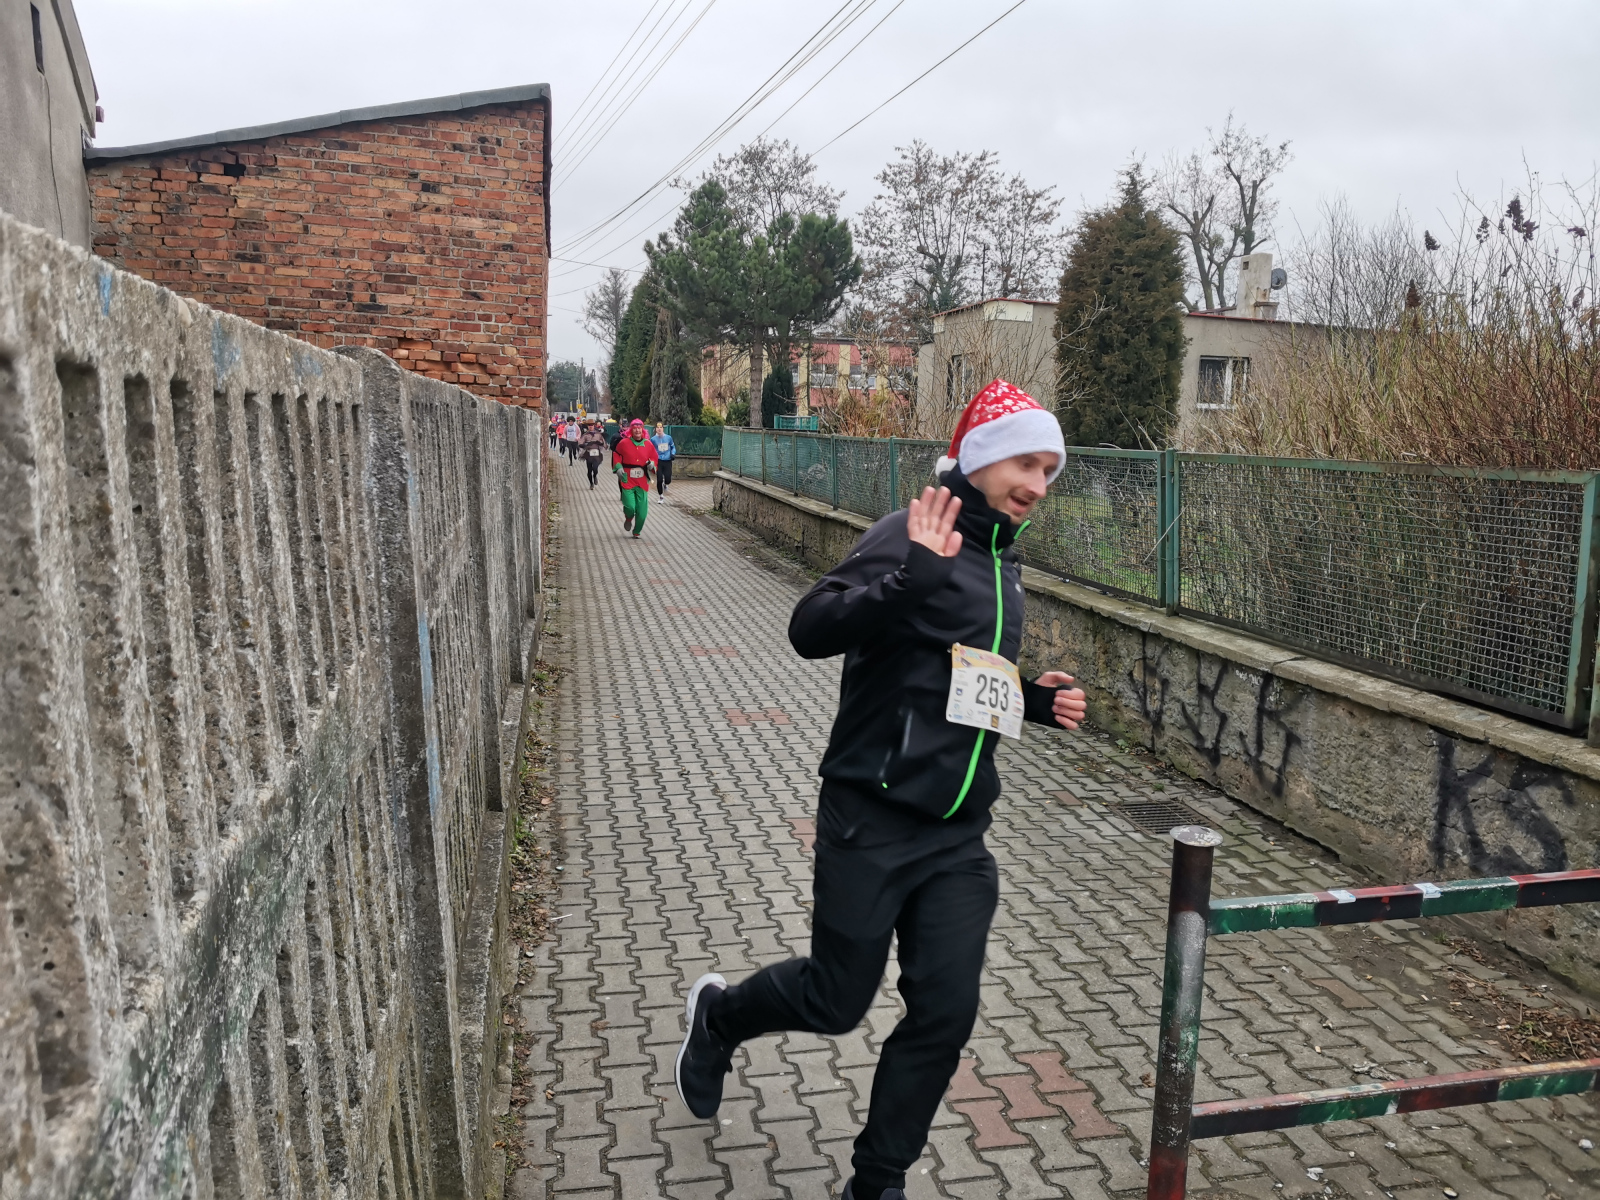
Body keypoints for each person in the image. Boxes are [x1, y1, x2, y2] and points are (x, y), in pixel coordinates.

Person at [673, 380, 1089, 1200]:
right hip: (870, 815)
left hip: (958, 836)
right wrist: (909, 581)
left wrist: (1030, 700)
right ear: (981, 457)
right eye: (1027, 464)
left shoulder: (1004, 562)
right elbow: (809, 629)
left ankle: (878, 1181)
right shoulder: (910, 532)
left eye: (1050, 470)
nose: (1039, 485)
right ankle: (719, 1016)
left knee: (946, 1012)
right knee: (836, 1002)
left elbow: (957, 672)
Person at [612, 417, 659, 538]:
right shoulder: (624, 443)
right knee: (630, 506)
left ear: (643, 430)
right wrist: (618, 467)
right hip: (627, 478)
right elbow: (616, 454)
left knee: (642, 512)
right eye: (635, 428)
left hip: (642, 480)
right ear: (631, 430)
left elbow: (654, 458)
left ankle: (637, 531)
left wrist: (652, 465)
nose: (637, 430)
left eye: (639, 428)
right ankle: (628, 518)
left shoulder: (648, 444)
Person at [651, 422, 678, 497]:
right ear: (655, 429)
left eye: (661, 427)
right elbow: (650, 450)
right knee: (659, 479)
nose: (659, 429)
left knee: (668, 479)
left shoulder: (668, 438)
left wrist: (673, 453)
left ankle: (666, 484)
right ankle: (661, 496)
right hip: (658, 461)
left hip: (667, 460)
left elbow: (673, 447)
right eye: (657, 427)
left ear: (663, 428)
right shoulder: (653, 439)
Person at [579, 420, 607, 489]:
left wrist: (601, 444)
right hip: (588, 454)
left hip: (597, 454)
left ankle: (595, 476)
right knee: (589, 470)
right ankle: (591, 483)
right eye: (589, 425)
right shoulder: (585, 435)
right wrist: (585, 444)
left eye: (591, 425)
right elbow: (580, 443)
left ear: (594, 426)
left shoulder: (598, 434)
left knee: (595, 468)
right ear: (587, 426)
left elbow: (604, 443)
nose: (590, 426)